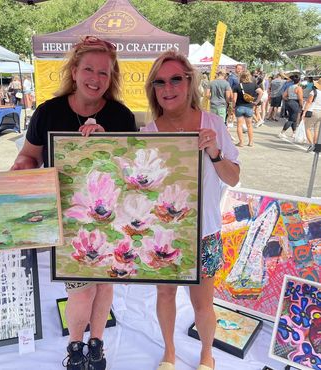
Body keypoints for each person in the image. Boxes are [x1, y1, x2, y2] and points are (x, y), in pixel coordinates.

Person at [11, 36, 137, 370]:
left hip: (112, 219)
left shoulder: (122, 116)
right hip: (67, 220)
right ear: (75, 70)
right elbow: (29, 156)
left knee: (105, 284)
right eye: (89, 70)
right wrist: (21, 170)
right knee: (81, 290)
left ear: (112, 78)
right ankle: (76, 346)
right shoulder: (48, 112)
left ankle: (98, 344)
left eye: (104, 73)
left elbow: (131, 169)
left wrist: (105, 143)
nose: (96, 79)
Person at [143, 51, 240, 370]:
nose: (168, 88)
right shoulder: (148, 133)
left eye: (175, 79)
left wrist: (214, 152)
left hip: (204, 231)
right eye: (160, 82)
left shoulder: (213, 124)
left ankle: (206, 354)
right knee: (166, 294)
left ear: (189, 82)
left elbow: (234, 177)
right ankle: (169, 352)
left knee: (203, 303)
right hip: (164, 234)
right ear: (153, 88)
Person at [232, 70, 263, 147]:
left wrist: (233, 106)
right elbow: (261, 92)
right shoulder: (254, 85)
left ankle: (241, 142)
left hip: (239, 107)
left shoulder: (237, 86)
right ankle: (250, 142)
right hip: (249, 107)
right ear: (249, 76)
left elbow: (234, 99)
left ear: (241, 77)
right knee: (249, 126)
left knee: (239, 125)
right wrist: (256, 102)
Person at [279, 74, 303, 139]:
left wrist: (289, 99)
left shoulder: (289, 87)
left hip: (289, 102)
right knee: (291, 119)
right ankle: (282, 132)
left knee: (293, 118)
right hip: (295, 103)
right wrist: (302, 105)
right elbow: (300, 98)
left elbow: (284, 96)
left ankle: (294, 133)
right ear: (299, 81)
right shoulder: (298, 88)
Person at [301, 77, 320, 152]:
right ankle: (315, 144)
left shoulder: (314, 92)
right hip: (320, 112)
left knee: (308, 128)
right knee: (317, 129)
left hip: (312, 111)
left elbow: (309, 102)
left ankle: (311, 144)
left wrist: (304, 112)